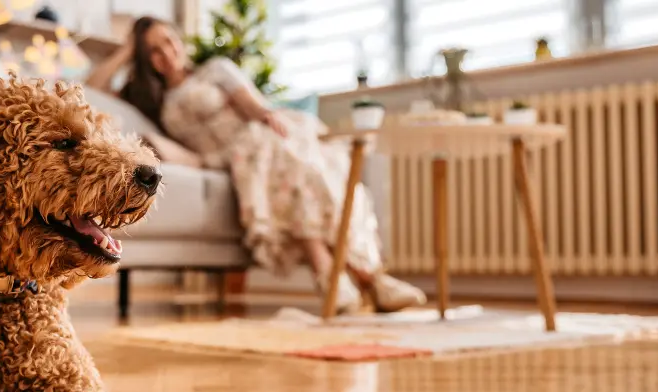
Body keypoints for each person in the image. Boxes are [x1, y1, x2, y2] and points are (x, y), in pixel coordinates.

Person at [85, 17, 425, 313]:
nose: (167, 53)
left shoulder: (215, 69)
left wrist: (270, 122)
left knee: (285, 167)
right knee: (278, 171)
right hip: (227, 159)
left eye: (170, 41)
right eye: (154, 51)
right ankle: (371, 281)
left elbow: (254, 109)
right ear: (147, 60)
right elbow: (94, 85)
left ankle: (333, 276)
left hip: (257, 139)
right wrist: (127, 48)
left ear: (181, 41)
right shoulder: (151, 99)